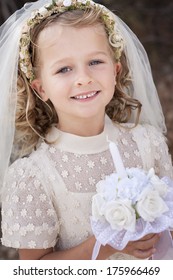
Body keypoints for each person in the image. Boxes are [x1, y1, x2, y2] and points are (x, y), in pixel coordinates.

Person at [0, 0, 172, 260]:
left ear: (116, 71)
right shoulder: (34, 175)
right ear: (40, 88)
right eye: (64, 69)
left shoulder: (148, 143)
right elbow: (34, 269)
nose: (83, 78)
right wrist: (106, 246)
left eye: (95, 62)